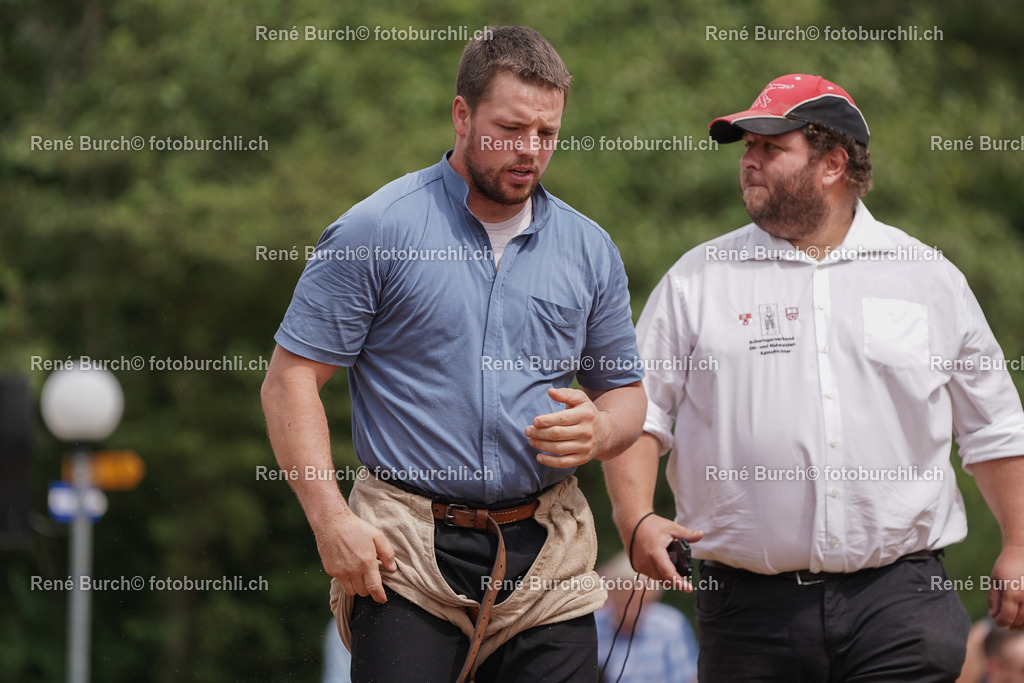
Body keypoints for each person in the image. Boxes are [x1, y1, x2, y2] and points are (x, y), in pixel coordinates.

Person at [602, 73, 1024, 681]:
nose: (749, 161)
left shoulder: (927, 277)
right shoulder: (699, 278)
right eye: (746, 147)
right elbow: (638, 413)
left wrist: (1016, 543)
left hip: (900, 602)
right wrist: (636, 518)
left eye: (770, 147)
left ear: (832, 163)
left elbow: (996, 428)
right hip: (749, 612)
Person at [261, 26, 646, 682]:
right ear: (462, 114)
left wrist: (603, 427)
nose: (530, 150)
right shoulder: (376, 230)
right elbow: (290, 380)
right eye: (511, 128)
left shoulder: (590, 249)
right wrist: (330, 521)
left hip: (549, 550)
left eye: (547, 134)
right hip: (405, 549)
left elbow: (627, 394)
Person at [593, 553, 697, 683]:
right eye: (626, 602)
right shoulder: (593, 626)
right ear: (611, 596)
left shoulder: (670, 627)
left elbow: (687, 678)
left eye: (641, 603)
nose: (633, 611)